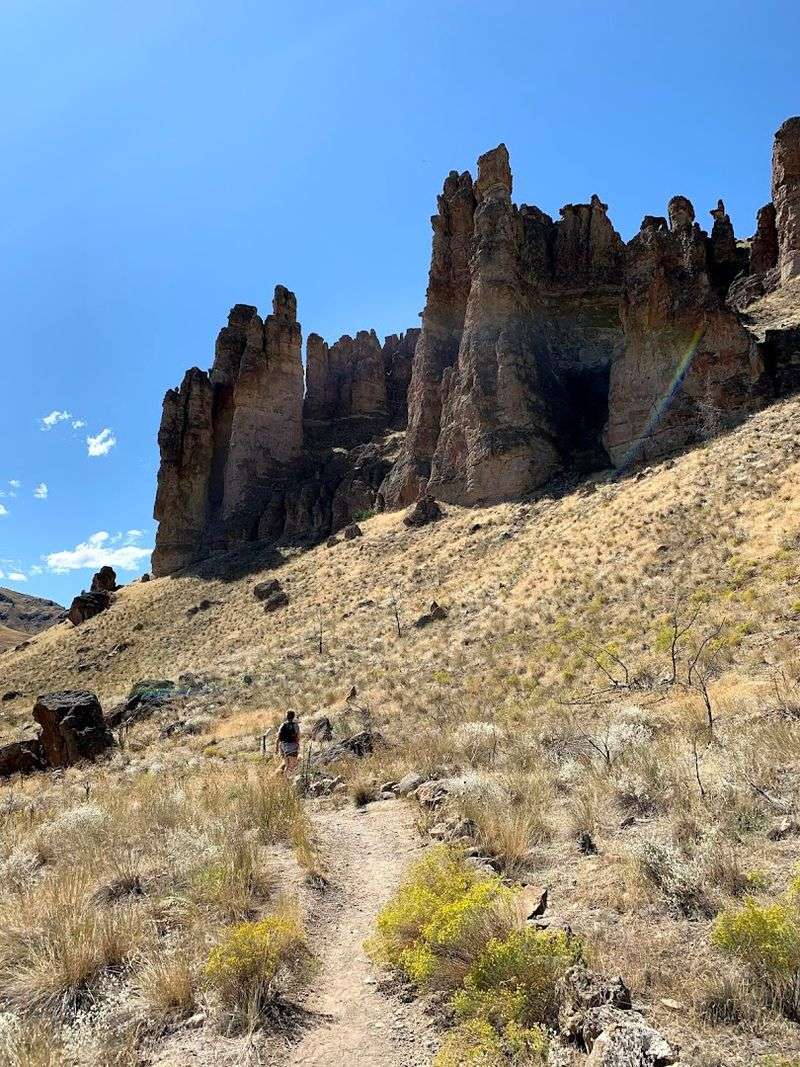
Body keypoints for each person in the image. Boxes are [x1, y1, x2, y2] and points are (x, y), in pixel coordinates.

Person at [275, 710, 300, 777]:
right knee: (292, 766)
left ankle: (285, 778)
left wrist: (276, 748)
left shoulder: (283, 725)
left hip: (283, 747)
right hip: (292, 747)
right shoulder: (295, 725)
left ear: (286, 716)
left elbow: (278, 737)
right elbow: (298, 737)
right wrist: (298, 746)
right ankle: (289, 779)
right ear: (294, 716)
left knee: (287, 765)